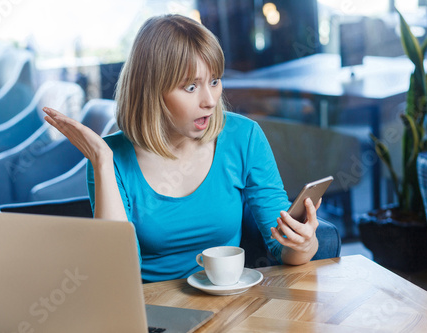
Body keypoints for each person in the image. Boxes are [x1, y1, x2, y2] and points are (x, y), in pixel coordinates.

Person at [43, 14, 321, 283]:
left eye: (214, 81)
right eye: (191, 87)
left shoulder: (243, 137)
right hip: (150, 314)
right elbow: (116, 274)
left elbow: (282, 249)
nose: (210, 100)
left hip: (227, 309)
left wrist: (304, 243)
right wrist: (102, 161)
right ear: (151, 91)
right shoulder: (110, 158)